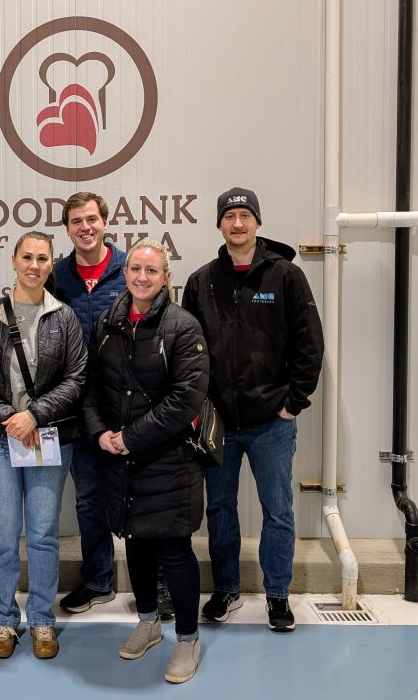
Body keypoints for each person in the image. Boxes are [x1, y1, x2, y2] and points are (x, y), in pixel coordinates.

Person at [182, 187, 324, 632]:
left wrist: (293, 402)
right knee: (220, 508)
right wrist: (197, 407)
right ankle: (226, 589)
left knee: (277, 509)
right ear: (220, 225)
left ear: (257, 222)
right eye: (230, 216)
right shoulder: (201, 281)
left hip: (271, 423)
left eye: (245, 215)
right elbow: (187, 351)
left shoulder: (285, 277)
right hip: (218, 423)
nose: (237, 224)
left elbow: (309, 345)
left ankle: (278, 596)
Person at [84, 238, 209, 684]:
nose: (141, 277)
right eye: (135, 268)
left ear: (165, 277)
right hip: (120, 456)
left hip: (167, 458)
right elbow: (93, 387)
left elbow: (184, 400)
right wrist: (101, 433)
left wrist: (131, 438)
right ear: (125, 272)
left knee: (174, 547)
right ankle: (149, 622)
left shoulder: (183, 326)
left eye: (151, 271)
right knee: (134, 539)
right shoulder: (107, 322)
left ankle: (189, 640)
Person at [0, 231, 88, 659]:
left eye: (43, 258)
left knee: (43, 534)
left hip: (47, 438)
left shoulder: (65, 318)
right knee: (2, 534)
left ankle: (42, 621)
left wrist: (36, 414)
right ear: (13, 261)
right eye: (27, 257)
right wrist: (9, 418)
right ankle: (2, 620)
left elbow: (76, 379)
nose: (34, 265)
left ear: (52, 265)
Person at [53, 192, 124, 614]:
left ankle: (159, 584)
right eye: (77, 221)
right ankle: (99, 580)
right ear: (68, 229)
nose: (86, 227)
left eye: (92, 219)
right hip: (76, 409)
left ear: (104, 222)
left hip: (129, 405)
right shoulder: (57, 275)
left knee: (143, 496)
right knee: (88, 498)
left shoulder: (128, 268)